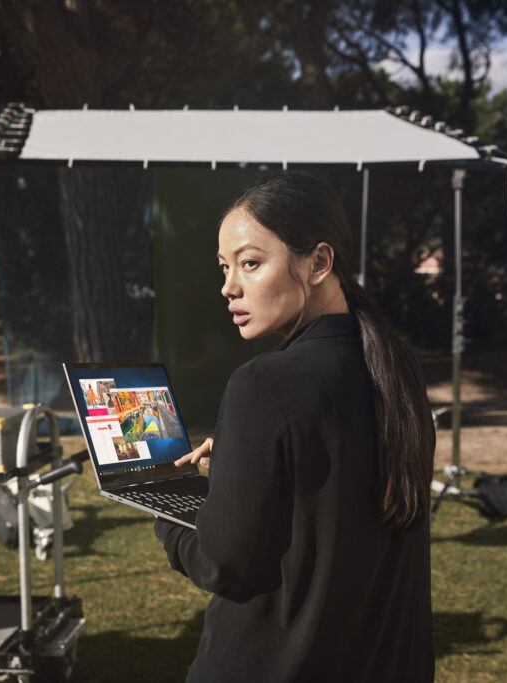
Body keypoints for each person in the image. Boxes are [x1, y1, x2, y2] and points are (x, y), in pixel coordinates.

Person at [154, 174, 436, 682]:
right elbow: (331, 498)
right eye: (224, 267)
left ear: (319, 262)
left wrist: (165, 508)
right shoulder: (400, 366)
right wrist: (245, 462)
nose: (228, 286)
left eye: (250, 263)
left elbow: (224, 565)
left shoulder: (262, 384)